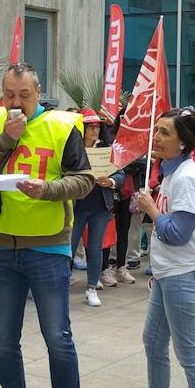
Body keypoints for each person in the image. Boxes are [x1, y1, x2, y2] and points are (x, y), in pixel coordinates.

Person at [0, 65, 94, 388]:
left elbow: (83, 180)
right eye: (9, 94)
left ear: (38, 92)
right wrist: (6, 142)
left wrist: (47, 189)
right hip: (1, 246)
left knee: (58, 339)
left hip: (48, 246)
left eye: (23, 95)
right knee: (4, 341)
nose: (15, 103)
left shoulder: (63, 127)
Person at [117, 108, 195, 388]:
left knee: (190, 355)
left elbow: (177, 233)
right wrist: (146, 205)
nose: (155, 138)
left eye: (163, 132)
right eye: (156, 131)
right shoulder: (170, 175)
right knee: (153, 342)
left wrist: (151, 209)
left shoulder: (188, 178)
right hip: (166, 274)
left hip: (182, 274)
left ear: (183, 142)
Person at [71, 108, 125, 306]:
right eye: (90, 127)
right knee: (68, 247)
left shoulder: (106, 148)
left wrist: (110, 181)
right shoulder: (73, 147)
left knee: (95, 248)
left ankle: (92, 288)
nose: (94, 131)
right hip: (77, 205)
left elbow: (120, 174)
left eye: (96, 127)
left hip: (100, 205)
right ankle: (60, 283)